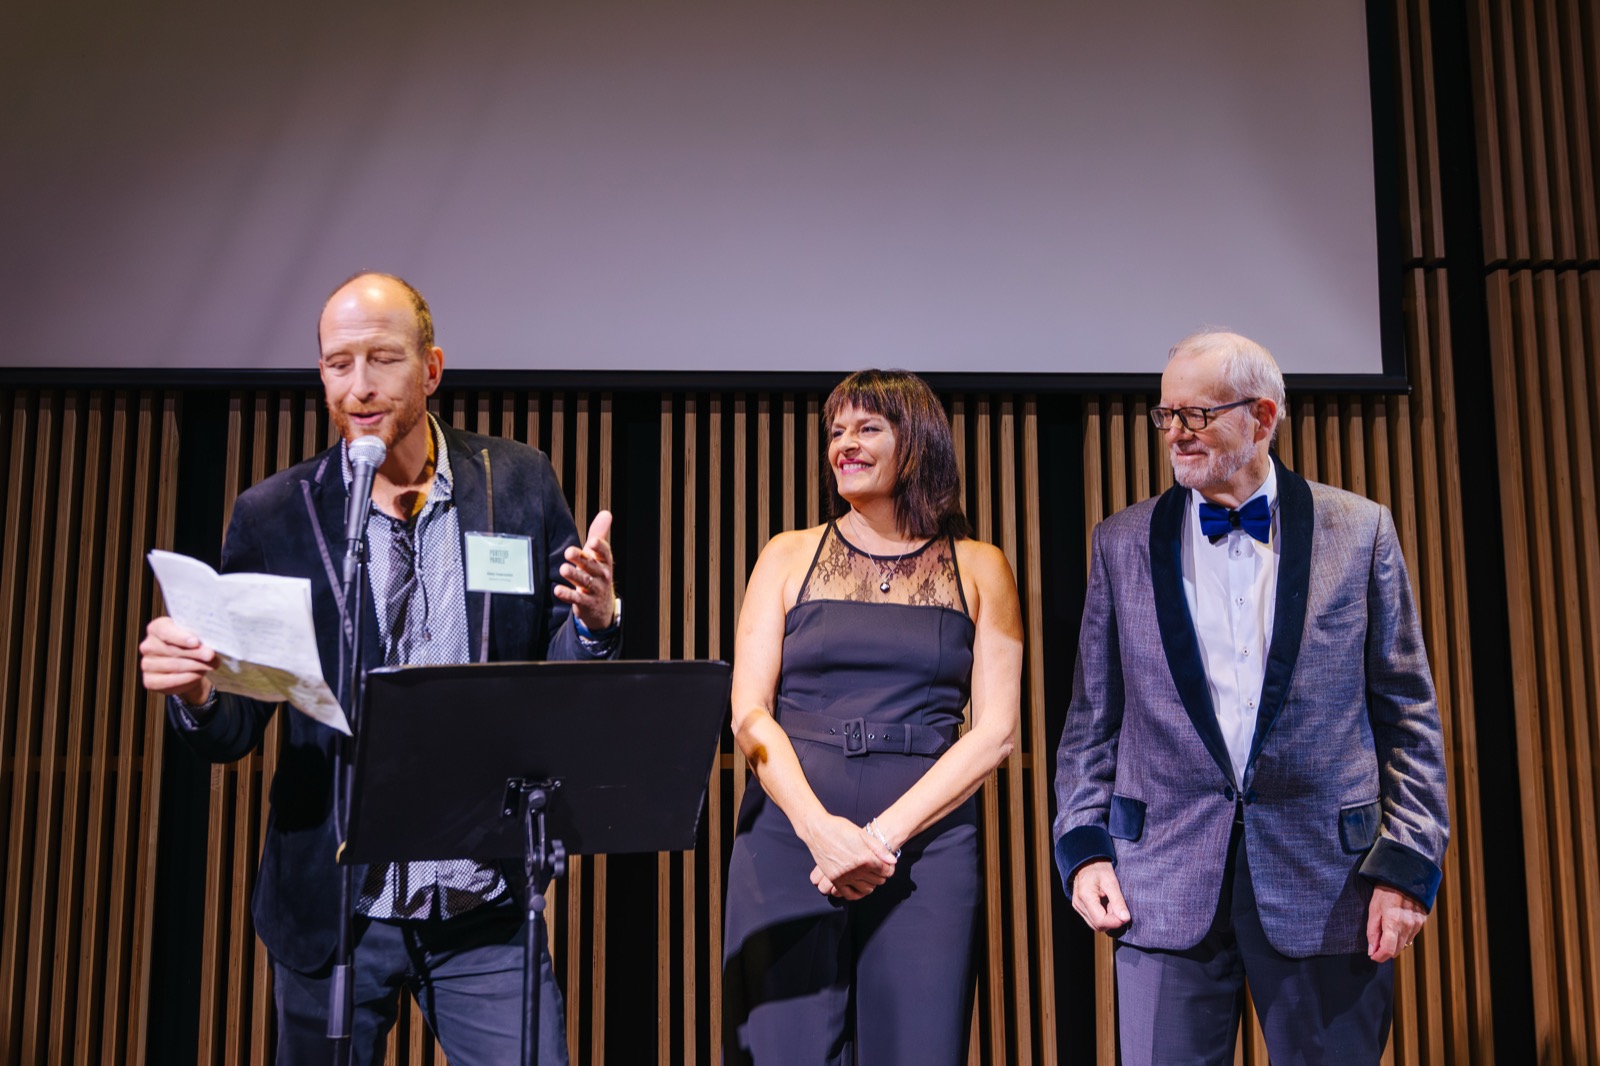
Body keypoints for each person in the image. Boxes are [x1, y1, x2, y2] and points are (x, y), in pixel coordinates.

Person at [139, 272, 620, 1065]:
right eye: (337, 364)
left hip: (481, 898)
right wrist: (197, 691)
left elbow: (556, 681)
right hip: (335, 909)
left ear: (431, 369)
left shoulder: (517, 483)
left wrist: (593, 623)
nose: (358, 387)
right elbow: (237, 724)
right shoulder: (276, 514)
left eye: (382, 359)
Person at [1053, 330, 1449, 1063]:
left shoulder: (1359, 531)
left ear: (1262, 418)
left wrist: (1408, 869)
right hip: (1161, 883)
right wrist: (1083, 850)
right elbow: (1091, 721)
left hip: (1332, 887)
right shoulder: (1120, 543)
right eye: (1165, 415)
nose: (1174, 433)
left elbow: (1409, 714)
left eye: (1195, 415)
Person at [721, 369, 1022, 1064]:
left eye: (867, 428)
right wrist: (820, 832)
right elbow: (748, 713)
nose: (844, 445)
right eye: (835, 432)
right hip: (788, 836)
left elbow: (997, 731)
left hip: (927, 847)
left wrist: (880, 838)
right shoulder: (787, 553)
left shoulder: (980, 567)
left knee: (918, 1047)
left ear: (916, 442)